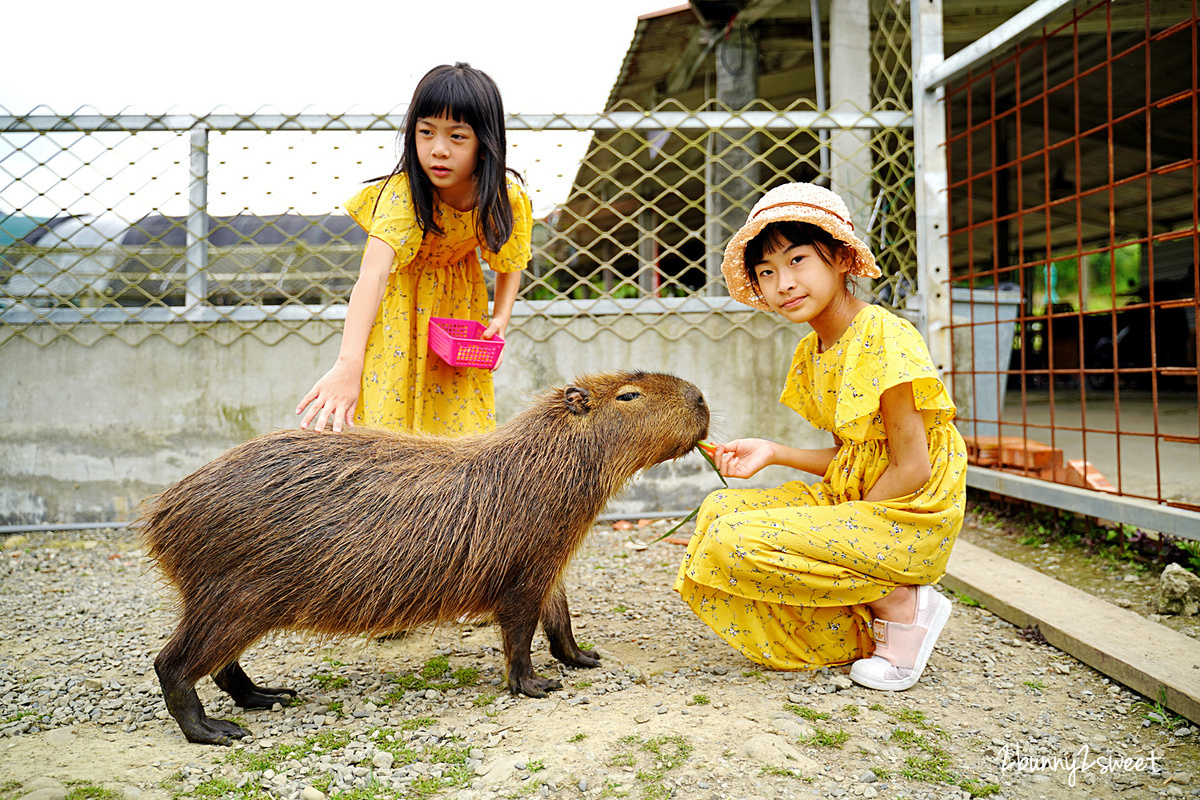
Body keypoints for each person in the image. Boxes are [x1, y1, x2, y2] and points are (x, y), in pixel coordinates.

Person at [674, 182, 967, 691]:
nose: (783, 282)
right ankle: (857, 623)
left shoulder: (883, 336)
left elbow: (912, 466)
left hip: (910, 509)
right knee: (720, 512)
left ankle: (901, 603)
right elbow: (848, 457)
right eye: (766, 272)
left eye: (798, 260)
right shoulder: (813, 352)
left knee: (734, 542)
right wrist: (773, 453)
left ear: (839, 258)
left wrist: (838, 525)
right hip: (862, 497)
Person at [297, 62, 531, 435]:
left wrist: (500, 318)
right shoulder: (403, 194)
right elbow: (372, 276)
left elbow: (511, 260)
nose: (438, 150)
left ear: (485, 144)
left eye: (457, 137)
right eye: (426, 132)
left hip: (455, 314)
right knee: (388, 420)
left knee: (457, 423)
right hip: (397, 312)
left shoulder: (506, 198)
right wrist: (347, 365)